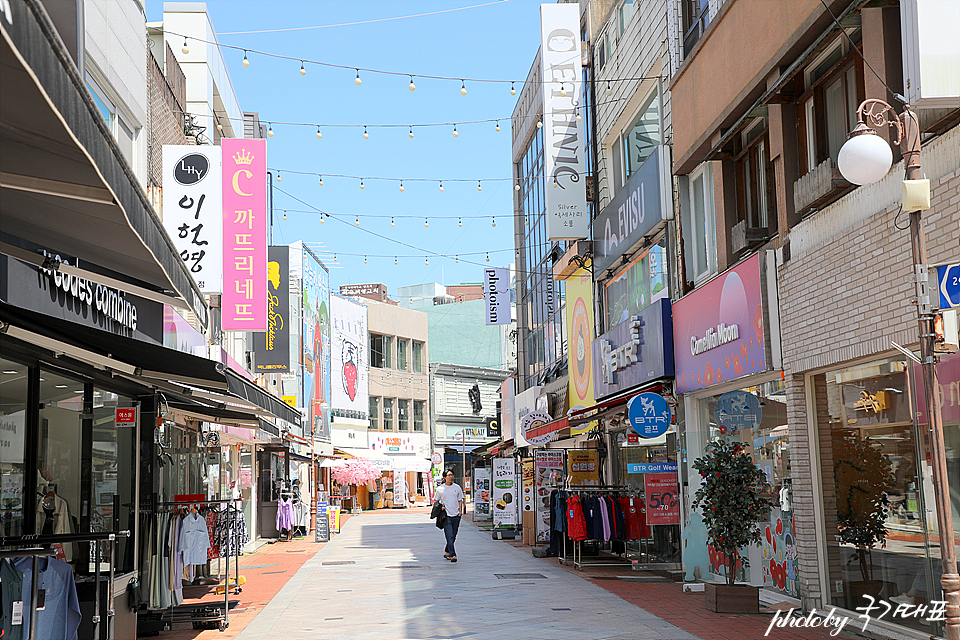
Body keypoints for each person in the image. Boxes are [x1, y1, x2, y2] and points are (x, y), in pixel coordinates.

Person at [436, 469, 465, 563]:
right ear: (444, 477)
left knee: (454, 535)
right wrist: (441, 508)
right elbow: (437, 501)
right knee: (449, 535)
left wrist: (460, 512)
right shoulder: (440, 489)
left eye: (452, 475)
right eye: (448, 475)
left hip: (456, 515)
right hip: (446, 515)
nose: (451, 477)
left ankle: (447, 551)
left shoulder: (457, 487)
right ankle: (453, 555)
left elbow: (460, 500)